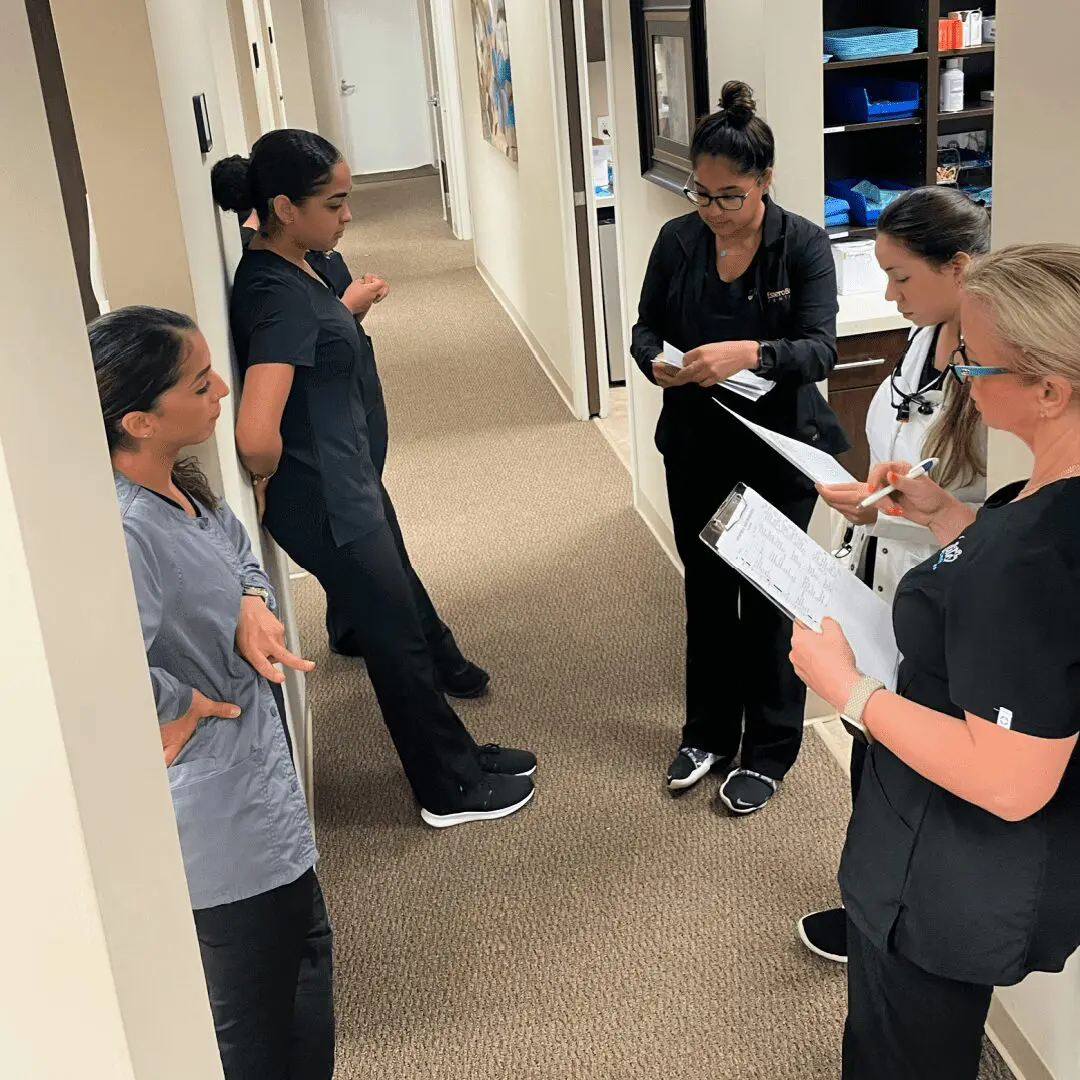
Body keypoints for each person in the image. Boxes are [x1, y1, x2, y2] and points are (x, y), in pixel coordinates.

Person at [790, 243, 1080, 1079]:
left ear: (1051, 390)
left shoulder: (1032, 566)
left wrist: (848, 690)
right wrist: (950, 516)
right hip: (959, 853)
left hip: (954, 872)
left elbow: (1012, 781)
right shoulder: (1043, 501)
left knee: (901, 1056)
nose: (957, 378)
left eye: (973, 363)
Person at [211, 129, 536, 828]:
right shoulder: (276, 293)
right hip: (327, 499)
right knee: (398, 646)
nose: (348, 215)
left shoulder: (298, 266)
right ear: (283, 207)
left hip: (348, 480)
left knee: (401, 629)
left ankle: (463, 756)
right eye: (334, 203)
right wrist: (267, 479)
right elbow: (254, 432)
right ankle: (448, 791)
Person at [92, 305, 334, 1079]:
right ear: (138, 418)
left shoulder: (181, 484)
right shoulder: (126, 532)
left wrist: (251, 602)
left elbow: (236, 550)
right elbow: (104, 669)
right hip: (220, 821)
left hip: (263, 793)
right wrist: (179, 705)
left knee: (304, 970)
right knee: (253, 1026)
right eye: (201, 385)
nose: (224, 388)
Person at [630, 81, 848, 814]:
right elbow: (643, 327)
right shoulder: (678, 241)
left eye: (730, 196)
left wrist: (751, 352)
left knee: (767, 601)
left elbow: (819, 351)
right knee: (705, 593)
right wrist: (656, 360)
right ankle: (708, 734)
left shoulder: (803, 246)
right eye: (702, 193)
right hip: (694, 443)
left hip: (778, 450)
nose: (713, 210)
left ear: (764, 184)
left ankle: (770, 748)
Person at [797, 186, 991, 964]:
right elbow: (898, 449)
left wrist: (905, 508)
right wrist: (869, 502)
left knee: (911, 771)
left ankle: (897, 919)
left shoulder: (995, 373)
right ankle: (869, 902)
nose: (888, 295)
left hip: (944, 597)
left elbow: (982, 505)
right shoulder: (920, 342)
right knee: (870, 751)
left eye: (902, 277)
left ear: (961, 266)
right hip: (880, 578)